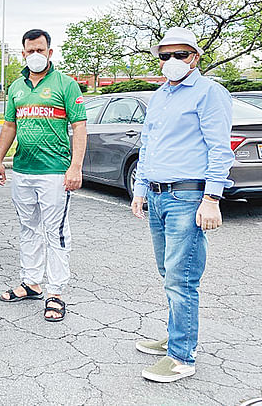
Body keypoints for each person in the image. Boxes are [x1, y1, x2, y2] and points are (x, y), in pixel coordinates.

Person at [130, 27, 233, 383]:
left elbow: (220, 150)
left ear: (195, 57)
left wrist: (211, 199)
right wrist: (141, 189)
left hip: (188, 197)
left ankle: (181, 357)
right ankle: (177, 335)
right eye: (165, 55)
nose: (171, 62)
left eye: (180, 55)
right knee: (168, 273)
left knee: (182, 278)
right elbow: (150, 144)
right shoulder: (160, 95)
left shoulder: (209, 93)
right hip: (158, 196)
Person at [0, 29, 87, 322]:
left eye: (40, 50)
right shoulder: (17, 88)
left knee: (55, 232)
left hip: (55, 173)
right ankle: (31, 283)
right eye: (30, 50)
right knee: (28, 228)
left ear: (49, 52)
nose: (35, 55)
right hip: (22, 170)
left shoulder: (66, 85)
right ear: (23, 53)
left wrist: (76, 167)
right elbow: (9, 126)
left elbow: (79, 127)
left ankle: (55, 293)